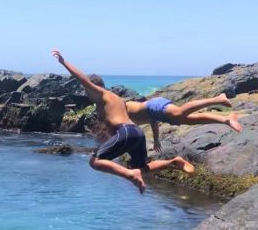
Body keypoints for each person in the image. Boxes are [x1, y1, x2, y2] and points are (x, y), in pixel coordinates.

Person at [52, 50, 195, 193]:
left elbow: (82, 79)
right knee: (142, 168)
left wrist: (64, 62)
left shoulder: (101, 94)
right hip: (136, 133)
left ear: (94, 87)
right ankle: (173, 162)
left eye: (87, 90)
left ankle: (130, 174)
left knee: (94, 162)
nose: (86, 93)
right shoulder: (117, 99)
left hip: (125, 131)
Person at [126, 95, 243, 153]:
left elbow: (128, 130)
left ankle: (217, 99)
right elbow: (153, 122)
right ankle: (227, 120)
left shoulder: (119, 109)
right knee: (194, 120)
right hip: (156, 115)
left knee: (179, 112)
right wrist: (156, 140)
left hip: (153, 106)